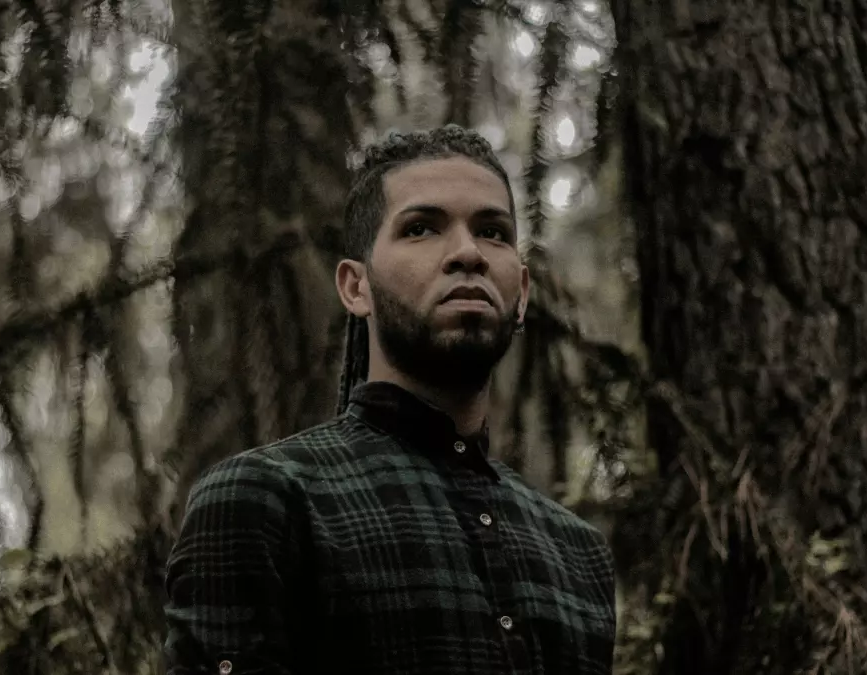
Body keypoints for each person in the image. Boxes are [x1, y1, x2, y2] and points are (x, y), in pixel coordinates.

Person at [163, 125, 617, 675]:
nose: (468, 253)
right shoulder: (266, 501)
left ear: (520, 295)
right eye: (422, 228)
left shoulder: (578, 554)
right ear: (357, 288)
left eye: (492, 231)